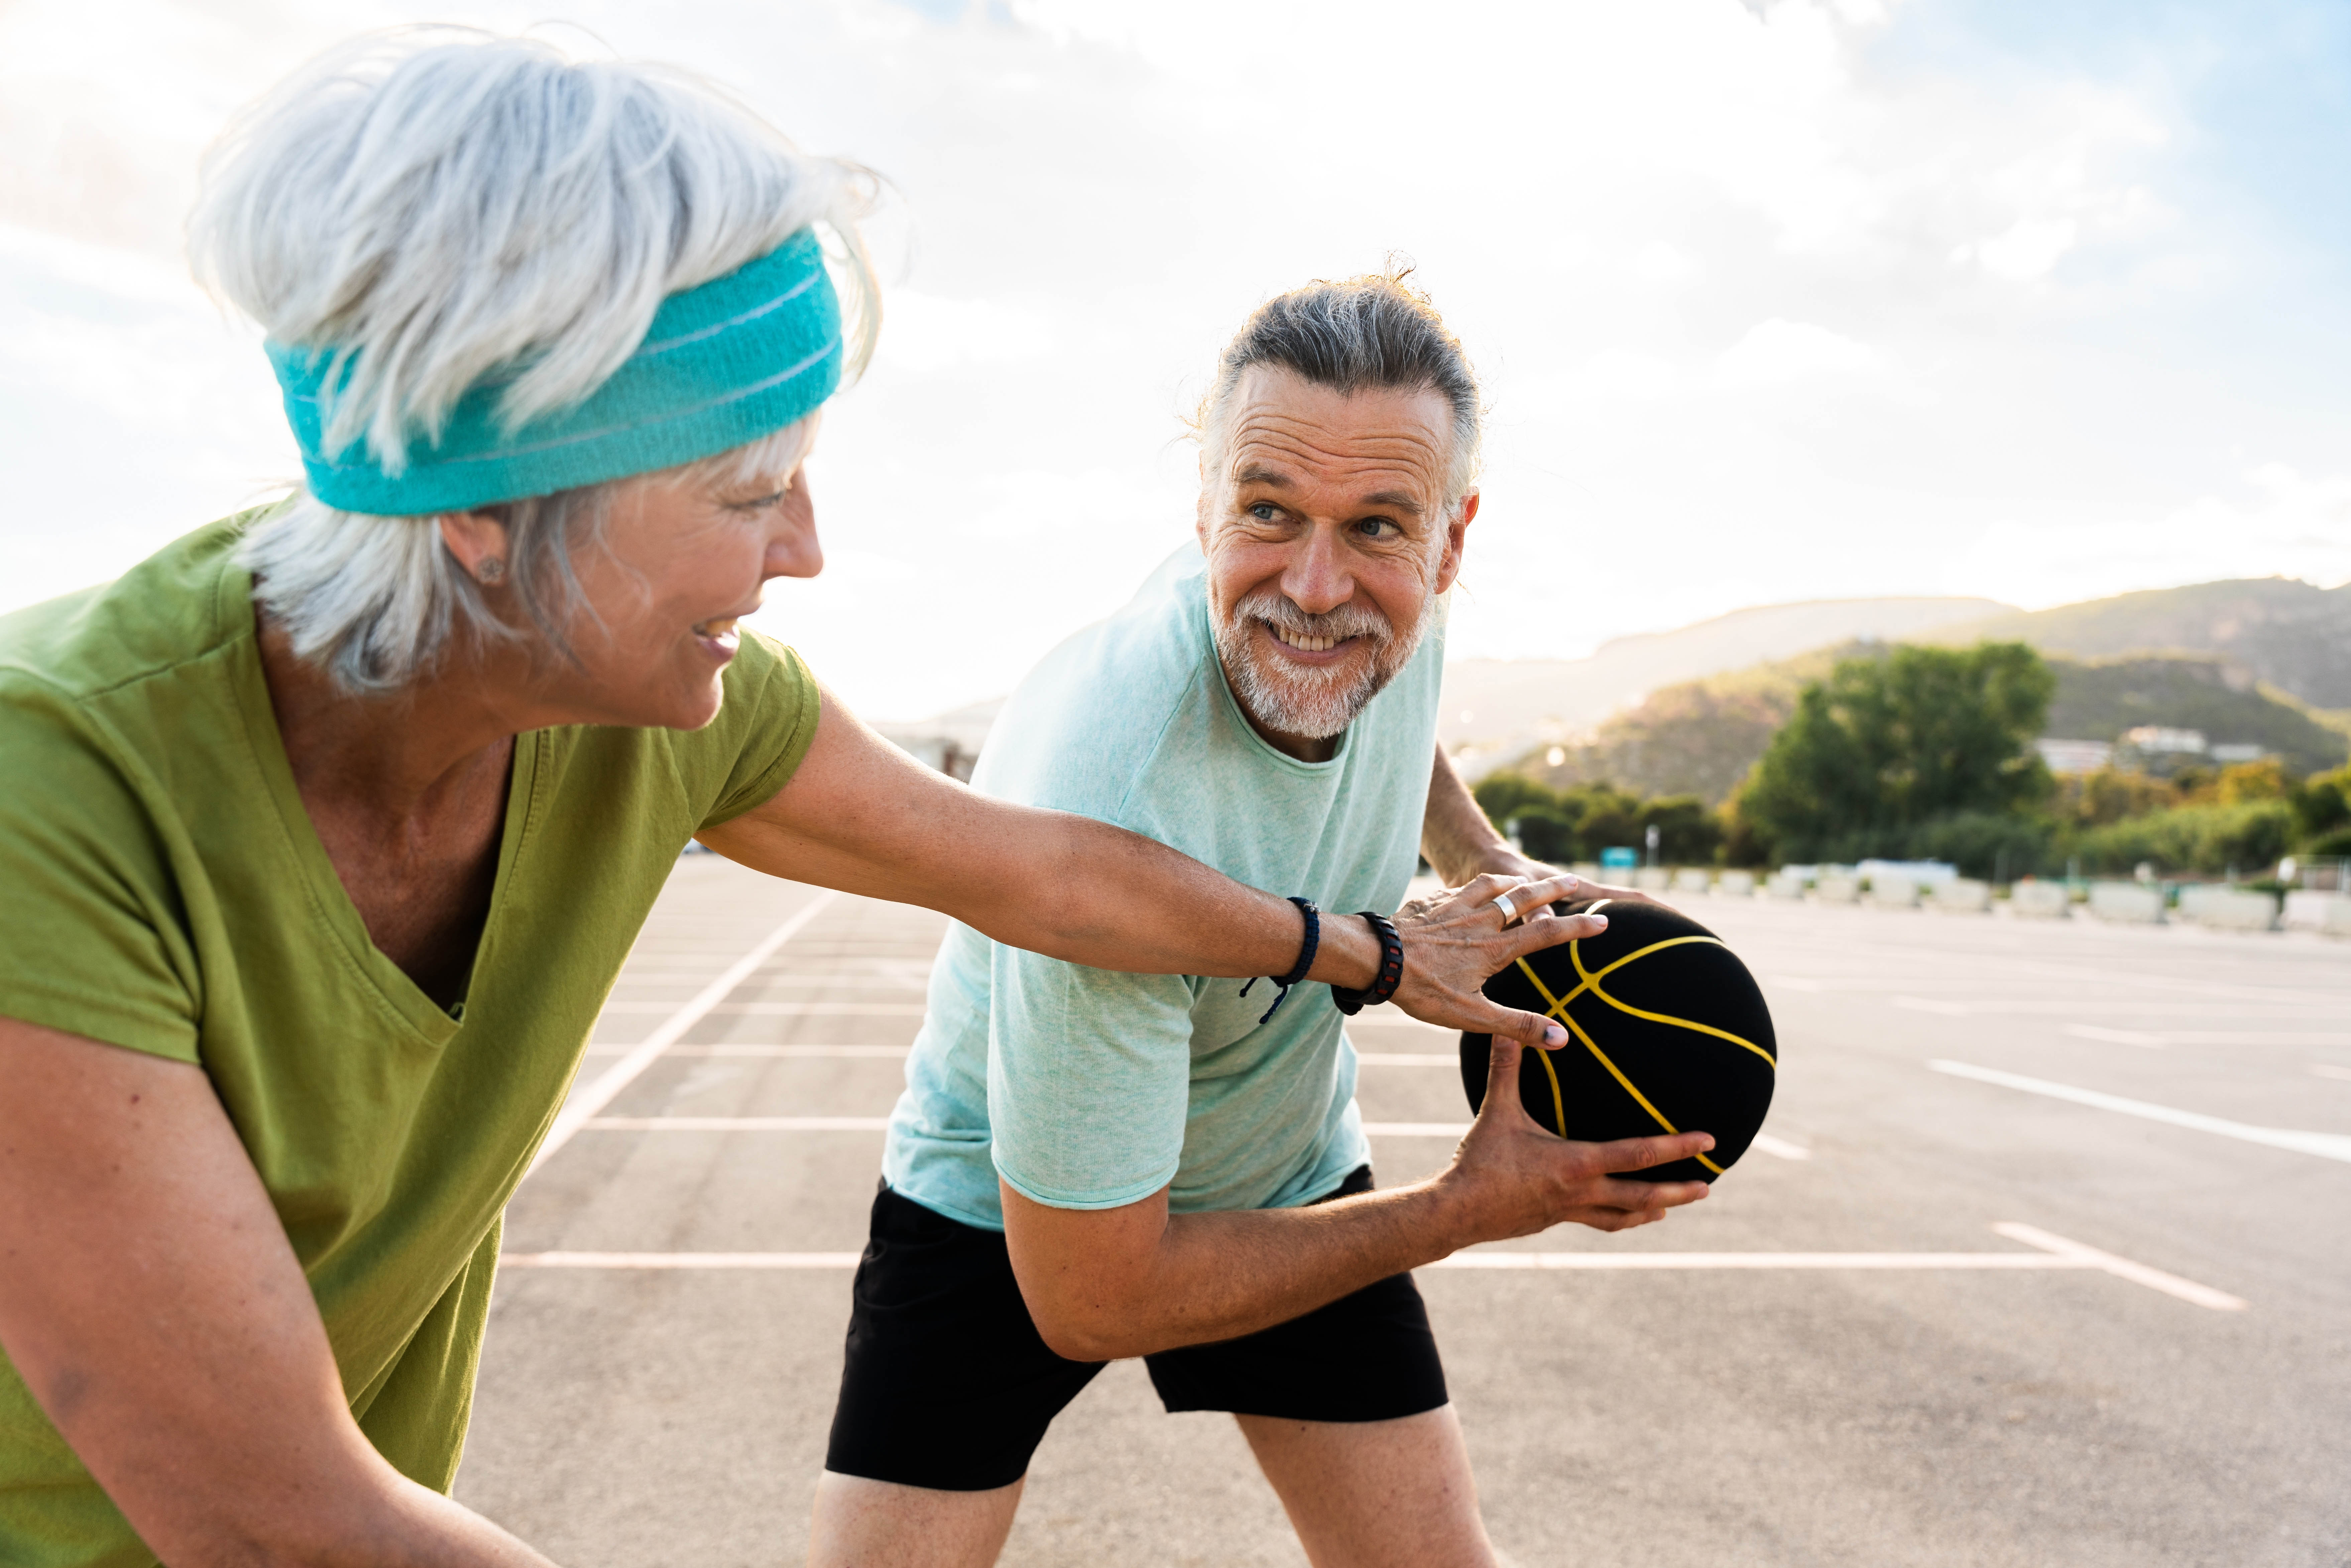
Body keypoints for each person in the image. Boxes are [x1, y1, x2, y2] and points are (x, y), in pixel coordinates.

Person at [0, 34, 1595, 1568]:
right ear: (489, 512)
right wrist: (1454, 1192)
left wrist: (1377, 957)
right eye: (749, 489)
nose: (808, 548)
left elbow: (1049, 881)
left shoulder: (662, 704)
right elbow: (279, 1526)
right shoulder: (45, 803)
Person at [812, 273, 1716, 1568]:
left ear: (1449, 546)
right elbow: (1093, 1297)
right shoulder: (1115, 790)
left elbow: (1389, 699)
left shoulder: (1398, 618)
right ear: (1203, 506)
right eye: (1268, 511)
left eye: (1378, 530)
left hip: (1280, 1164)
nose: (1311, 583)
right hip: (1006, 1210)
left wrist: (1483, 854)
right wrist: (1462, 1205)